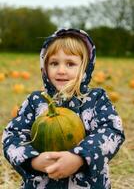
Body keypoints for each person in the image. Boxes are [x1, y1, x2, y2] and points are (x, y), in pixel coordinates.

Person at [2, 28, 125, 189]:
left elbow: (112, 131)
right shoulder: (36, 101)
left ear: (85, 67)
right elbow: (12, 135)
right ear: (45, 66)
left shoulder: (96, 100)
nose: (61, 70)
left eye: (70, 63)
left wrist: (80, 157)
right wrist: (32, 160)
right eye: (54, 63)